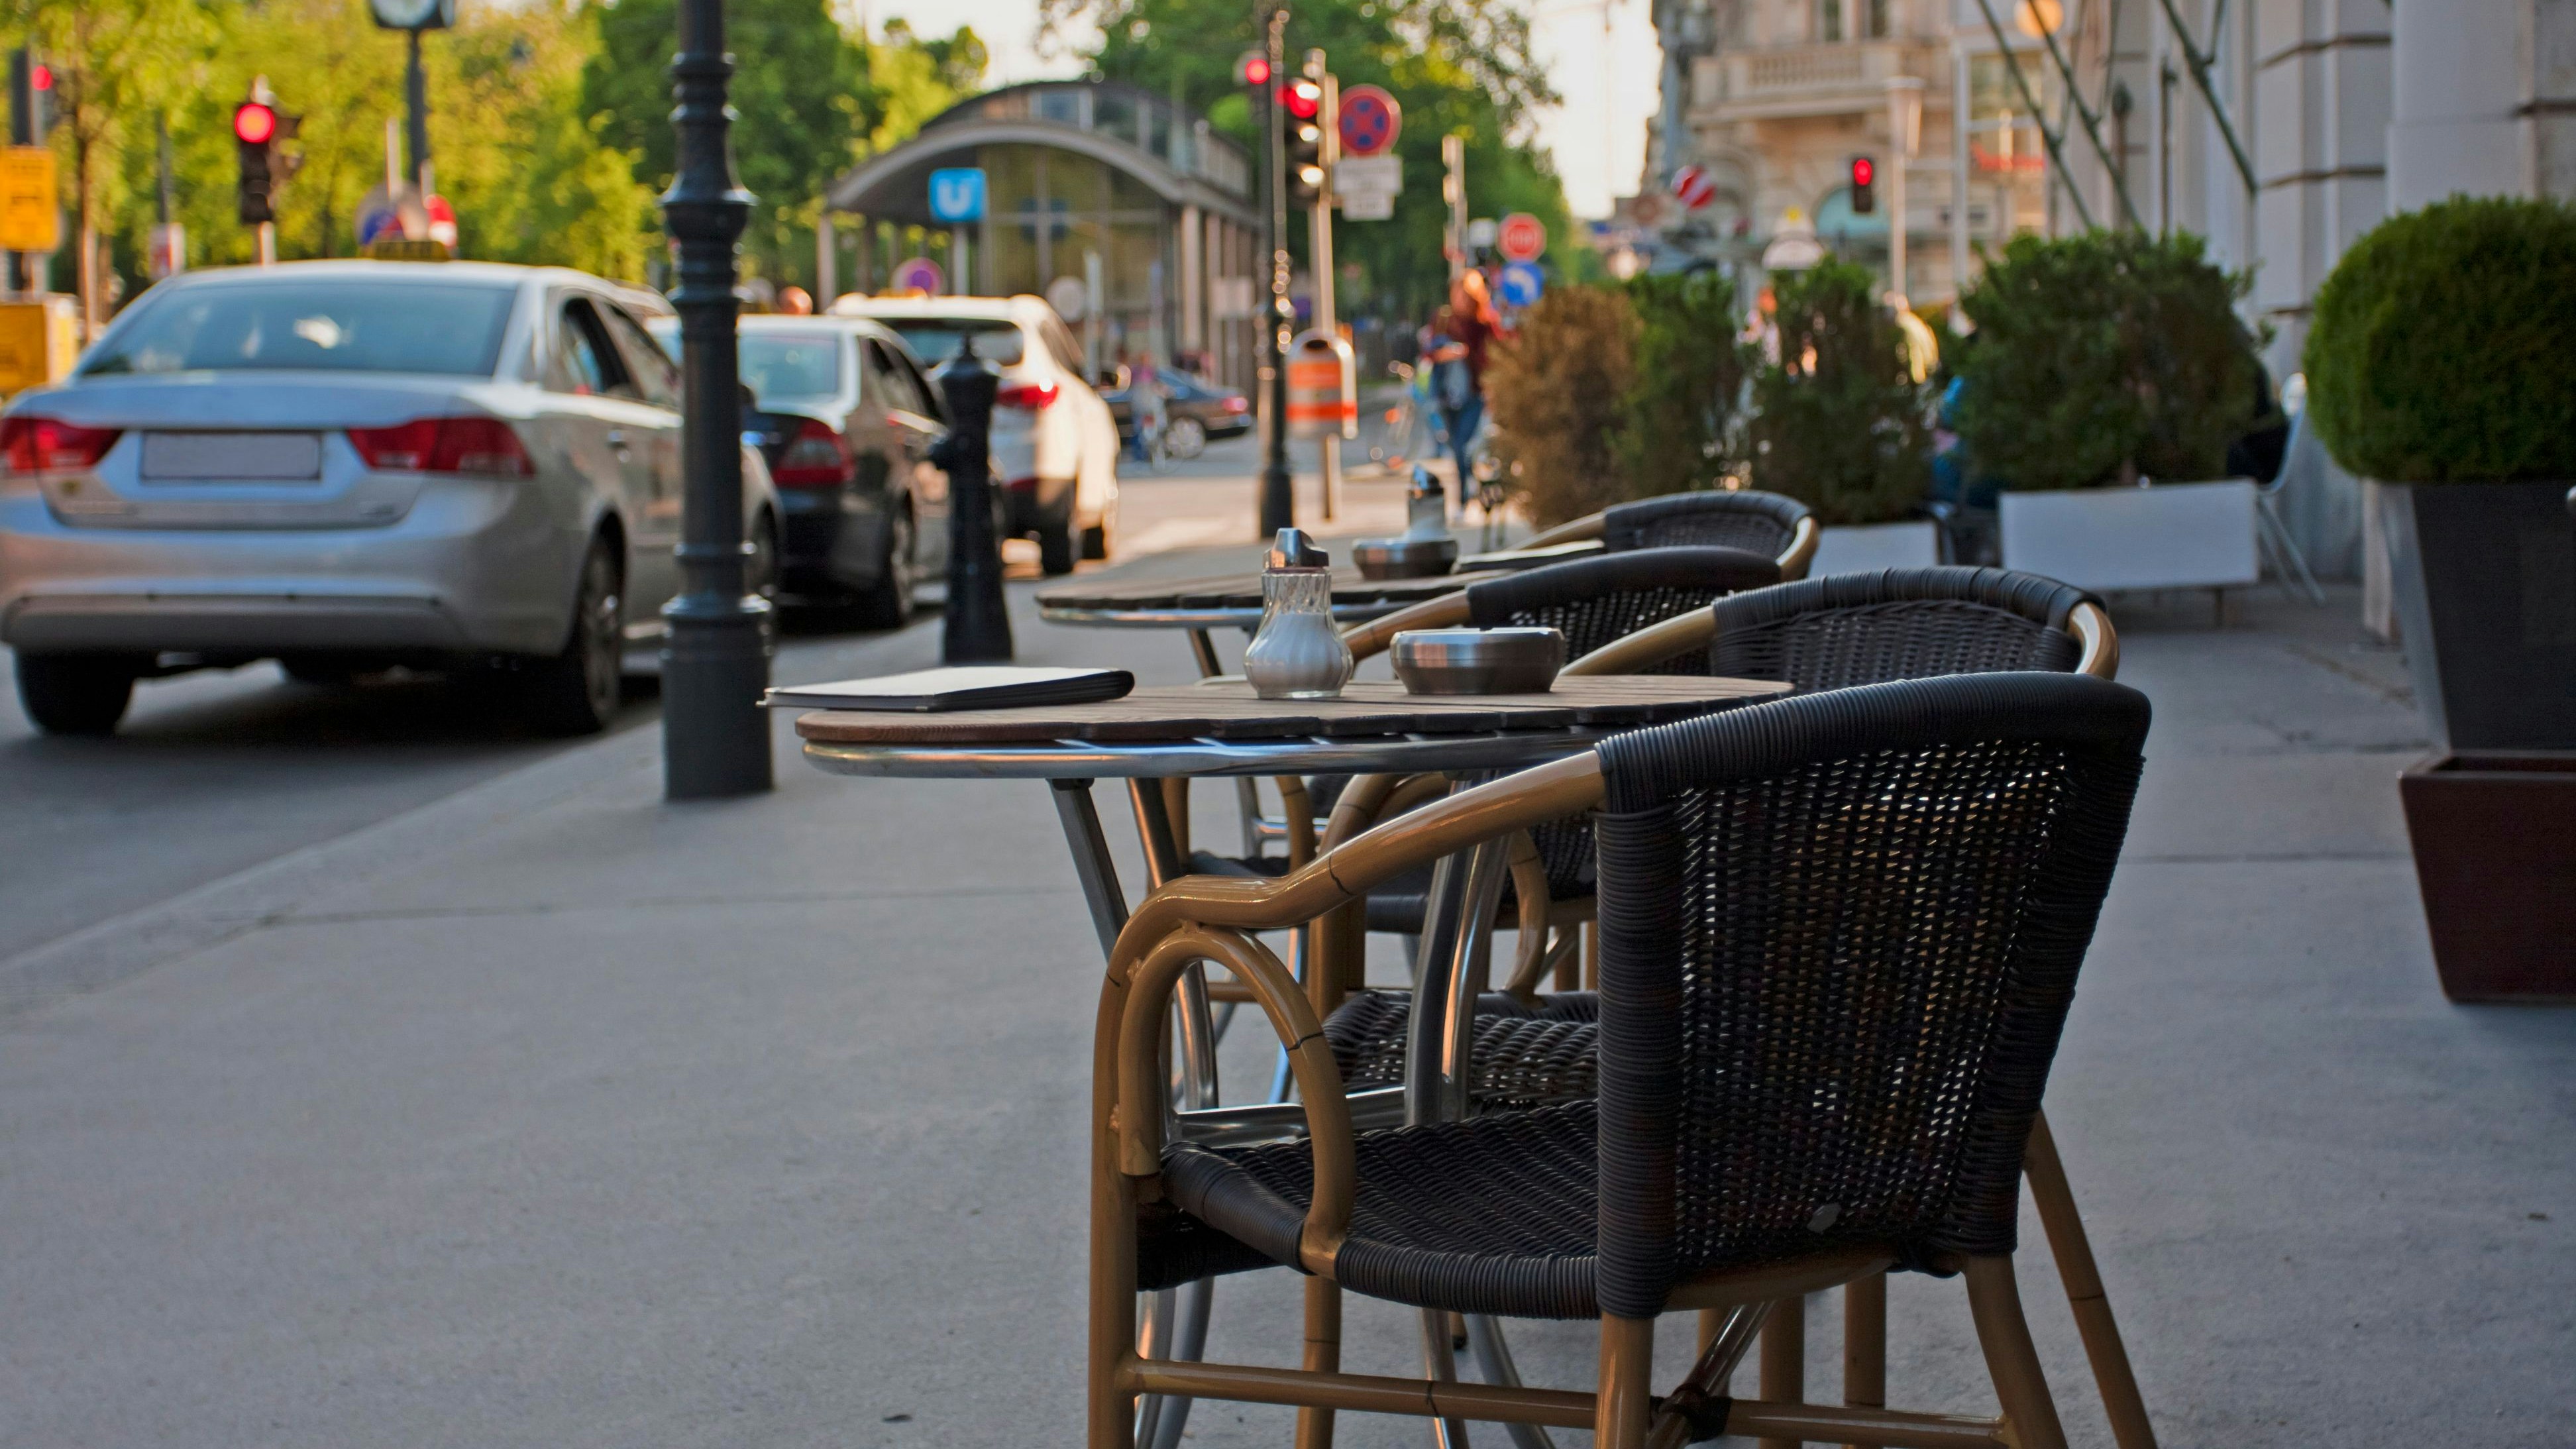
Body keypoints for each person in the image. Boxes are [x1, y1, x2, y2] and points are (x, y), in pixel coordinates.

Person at [1424, 270, 1497, 505]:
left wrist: (1468, 357)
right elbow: (1428, 353)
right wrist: (1444, 354)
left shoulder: (1485, 323)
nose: (1460, 299)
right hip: (1447, 393)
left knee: (1463, 444)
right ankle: (1468, 487)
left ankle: (1464, 496)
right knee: (1456, 446)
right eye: (1456, 293)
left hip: (1474, 393)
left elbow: (1494, 358)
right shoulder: (1442, 319)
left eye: (1465, 295)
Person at [1127, 350, 1167, 464]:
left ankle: (1150, 455)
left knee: (1152, 431)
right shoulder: (1136, 372)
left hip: (1150, 407)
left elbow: (1159, 387)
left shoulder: (1152, 372)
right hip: (1141, 406)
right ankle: (1139, 456)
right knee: (1139, 431)